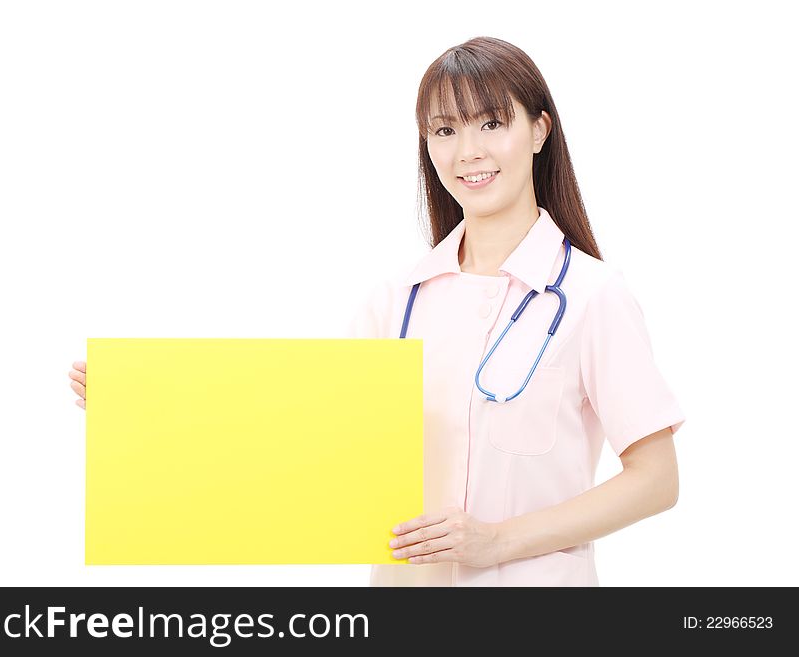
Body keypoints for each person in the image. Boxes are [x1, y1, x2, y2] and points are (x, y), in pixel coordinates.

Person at [69, 35, 686, 587]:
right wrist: (143, 408)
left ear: (539, 131)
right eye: (445, 131)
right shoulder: (397, 300)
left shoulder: (590, 295)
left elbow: (656, 479)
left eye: (493, 123)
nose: (468, 151)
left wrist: (498, 540)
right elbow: (304, 438)